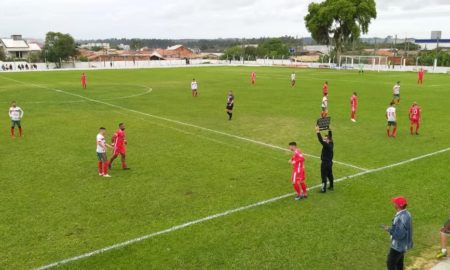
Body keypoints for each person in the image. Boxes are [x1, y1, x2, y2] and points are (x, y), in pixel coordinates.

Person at [382, 196, 413, 270]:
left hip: (398, 245)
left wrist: (389, 230)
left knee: (390, 263)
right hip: (404, 244)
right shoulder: (407, 214)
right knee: (399, 262)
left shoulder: (400, 218)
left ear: (398, 205)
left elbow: (399, 235)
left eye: (395, 203)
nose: (394, 204)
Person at [316, 126, 334, 193]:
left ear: (328, 140)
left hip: (325, 163)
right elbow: (330, 137)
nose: (324, 140)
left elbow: (320, 140)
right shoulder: (331, 143)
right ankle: (331, 186)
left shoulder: (326, 145)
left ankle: (323, 189)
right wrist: (330, 130)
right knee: (330, 174)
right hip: (330, 163)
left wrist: (317, 131)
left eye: (325, 139)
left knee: (323, 176)